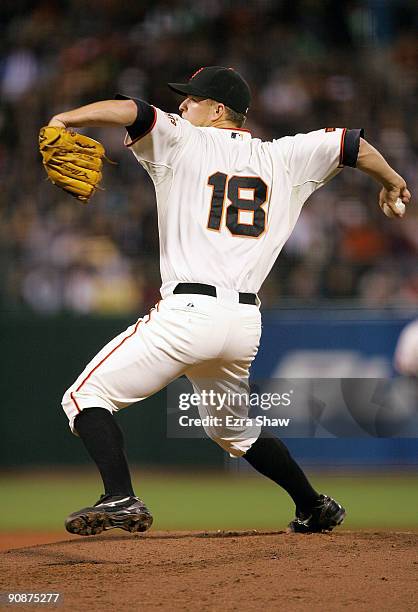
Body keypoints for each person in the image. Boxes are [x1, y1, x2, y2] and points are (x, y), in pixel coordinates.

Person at [48, 66, 411, 536]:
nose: (181, 106)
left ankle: (121, 497)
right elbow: (350, 144)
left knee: (84, 396)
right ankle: (314, 506)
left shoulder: (182, 140)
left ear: (218, 110)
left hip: (186, 315)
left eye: (191, 99)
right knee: (233, 429)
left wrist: (65, 119)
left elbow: (131, 110)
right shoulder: (284, 156)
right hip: (242, 322)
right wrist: (391, 180)